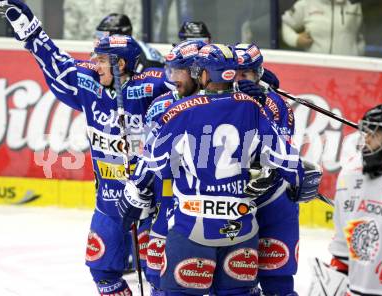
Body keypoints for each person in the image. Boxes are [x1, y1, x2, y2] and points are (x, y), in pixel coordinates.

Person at [0, 1, 171, 295]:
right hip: (110, 200)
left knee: (160, 277)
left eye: (101, 59)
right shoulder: (90, 85)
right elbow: (56, 63)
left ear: (121, 63)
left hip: (154, 203)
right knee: (102, 270)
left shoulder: (153, 87)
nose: (94, 63)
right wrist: (29, 30)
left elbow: (192, 89)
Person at [117, 43, 323, 295]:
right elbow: (285, 158)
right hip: (241, 229)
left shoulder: (180, 110)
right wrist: (300, 179)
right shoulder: (253, 107)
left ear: (204, 75)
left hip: (192, 228)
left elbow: (155, 164)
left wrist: (134, 195)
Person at [312, 102, 382, 295]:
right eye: (366, 132)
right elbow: (343, 253)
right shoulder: (350, 175)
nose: (367, 139)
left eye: (375, 133)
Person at [137, 39, 206, 295]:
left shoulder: (227, 104)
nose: (173, 77)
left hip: (209, 208)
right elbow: (148, 154)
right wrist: (139, 188)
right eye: (171, 70)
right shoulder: (161, 104)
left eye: (180, 70)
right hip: (168, 202)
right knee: (157, 275)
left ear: (198, 71)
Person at [234, 43, 301, 296]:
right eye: (234, 73)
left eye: (246, 74)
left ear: (258, 73)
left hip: (274, 201)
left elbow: (277, 151)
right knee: (235, 283)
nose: (239, 80)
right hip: (233, 201)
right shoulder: (218, 103)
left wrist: (259, 104)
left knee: (278, 283)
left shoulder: (275, 103)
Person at [281, 0, 365, 56]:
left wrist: (359, 52)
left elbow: (364, 32)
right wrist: (296, 39)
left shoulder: (355, 4)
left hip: (349, 68)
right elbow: (286, 23)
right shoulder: (307, 3)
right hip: (316, 68)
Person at [95, 13, 165, 73]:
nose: (98, 42)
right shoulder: (132, 48)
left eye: (104, 37)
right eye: (98, 35)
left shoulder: (139, 58)